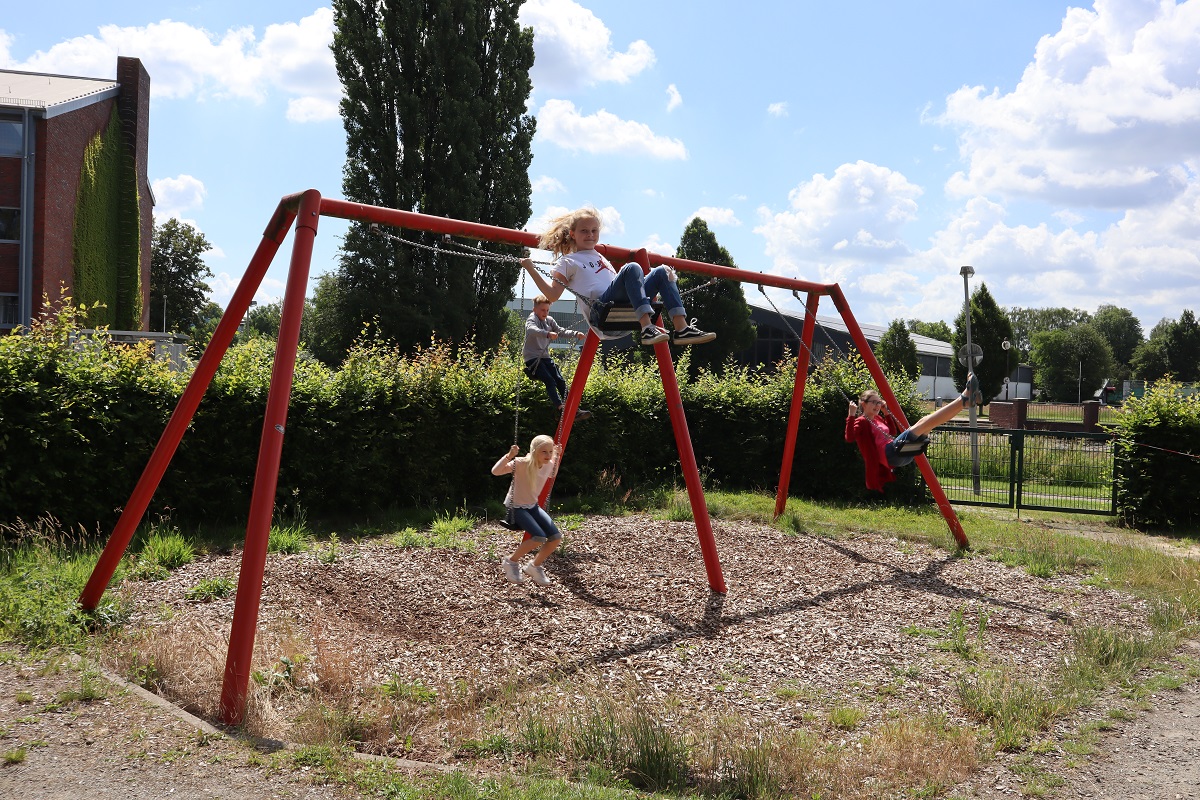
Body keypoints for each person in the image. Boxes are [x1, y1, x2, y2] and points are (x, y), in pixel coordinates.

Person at [520, 206, 716, 346]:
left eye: (594, 231)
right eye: (584, 231)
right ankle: (647, 328)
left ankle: (681, 329)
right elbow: (553, 295)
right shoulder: (568, 261)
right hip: (602, 312)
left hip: (621, 308)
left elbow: (626, 284)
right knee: (632, 268)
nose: (590, 235)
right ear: (572, 233)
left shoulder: (600, 257)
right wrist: (530, 268)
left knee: (663, 271)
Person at [845, 375, 980, 491]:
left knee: (929, 426)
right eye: (874, 402)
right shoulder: (861, 421)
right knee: (922, 422)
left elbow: (892, 433)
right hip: (890, 454)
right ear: (863, 404)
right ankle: (963, 399)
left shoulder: (878, 418)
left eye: (879, 402)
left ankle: (964, 403)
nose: (877, 406)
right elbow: (850, 437)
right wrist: (851, 415)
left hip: (902, 455)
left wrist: (886, 413)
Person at [491, 434, 563, 586]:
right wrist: (509, 456)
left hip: (532, 506)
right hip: (516, 508)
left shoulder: (549, 463)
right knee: (539, 537)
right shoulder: (521, 463)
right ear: (535, 450)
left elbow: (552, 473)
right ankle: (510, 561)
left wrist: (557, 457)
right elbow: (495, 471)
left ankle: (534, 566)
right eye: (544, 452)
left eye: (551, 452)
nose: (548, 455)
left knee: (555, 537)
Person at [524, 295, 591, 420]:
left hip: (544, 356)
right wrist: (547, 334)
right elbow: (531, 330)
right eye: (542, 310)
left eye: (547, 310)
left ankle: (573, 408)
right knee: (550, 380)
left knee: (559, 380)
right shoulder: (531, 319)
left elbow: (560, 331)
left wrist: (575, 334)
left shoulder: (549, 320)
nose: (545, 313)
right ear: (535, 310)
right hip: (532, 357)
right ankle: (560, 408)